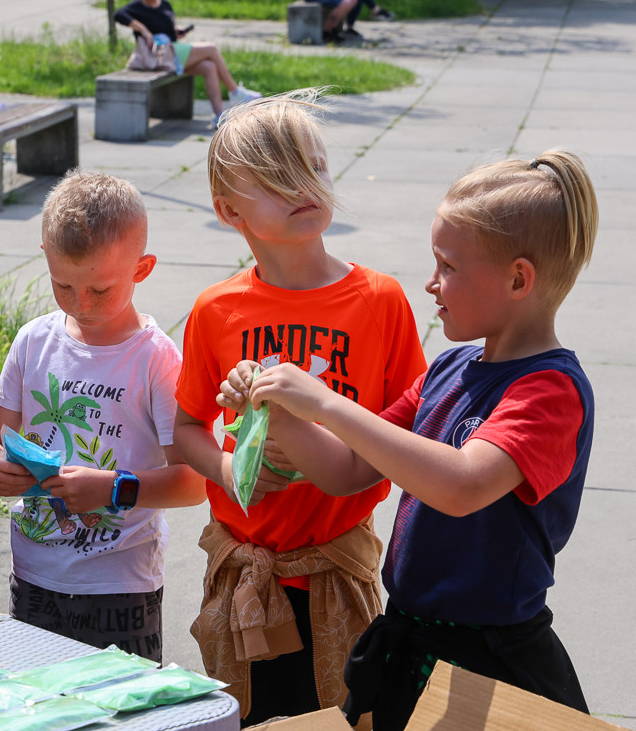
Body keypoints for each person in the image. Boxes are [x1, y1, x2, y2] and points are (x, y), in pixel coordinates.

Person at [225, 150, 598, 730]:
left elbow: (462, 484)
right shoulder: (448, 370)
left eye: (448, 266)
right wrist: (277, 410)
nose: (431, 282)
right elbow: (348, 468)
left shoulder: (550, 392)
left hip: (491, 660)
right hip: (410, 642)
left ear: (518, 278)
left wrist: (325, 401)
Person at [173, 92, 427, 726]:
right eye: (277, 179)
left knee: (344, 719)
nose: (303, 187)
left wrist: (338, 458)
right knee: (258, 719)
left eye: (313, 168)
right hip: (244, 576)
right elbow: (186, 428)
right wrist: (230, 471)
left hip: (336, 571)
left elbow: (411, 434)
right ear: (229, 211)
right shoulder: (215, 310)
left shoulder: (381, 299)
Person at [0, 171, 207, 662]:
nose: (82, 304)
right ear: (46, 255)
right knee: (40, 702)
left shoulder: (155, 359)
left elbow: (193, 481)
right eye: (64, 285)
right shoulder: (34, 340)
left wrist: (113, 488)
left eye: (100, 290)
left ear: (142, 269)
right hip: (34, 575)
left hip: (120, 585)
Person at [114, 0, 261, 130]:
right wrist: (143, 30)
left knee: (209, 67)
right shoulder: (138, 5)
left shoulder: (165, 5)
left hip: (171, 53)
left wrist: (177, 31)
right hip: (157, 57)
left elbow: (168, 32)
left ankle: (219, 117)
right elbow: (119, 15)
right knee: (211, 49)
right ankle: (235, 93)